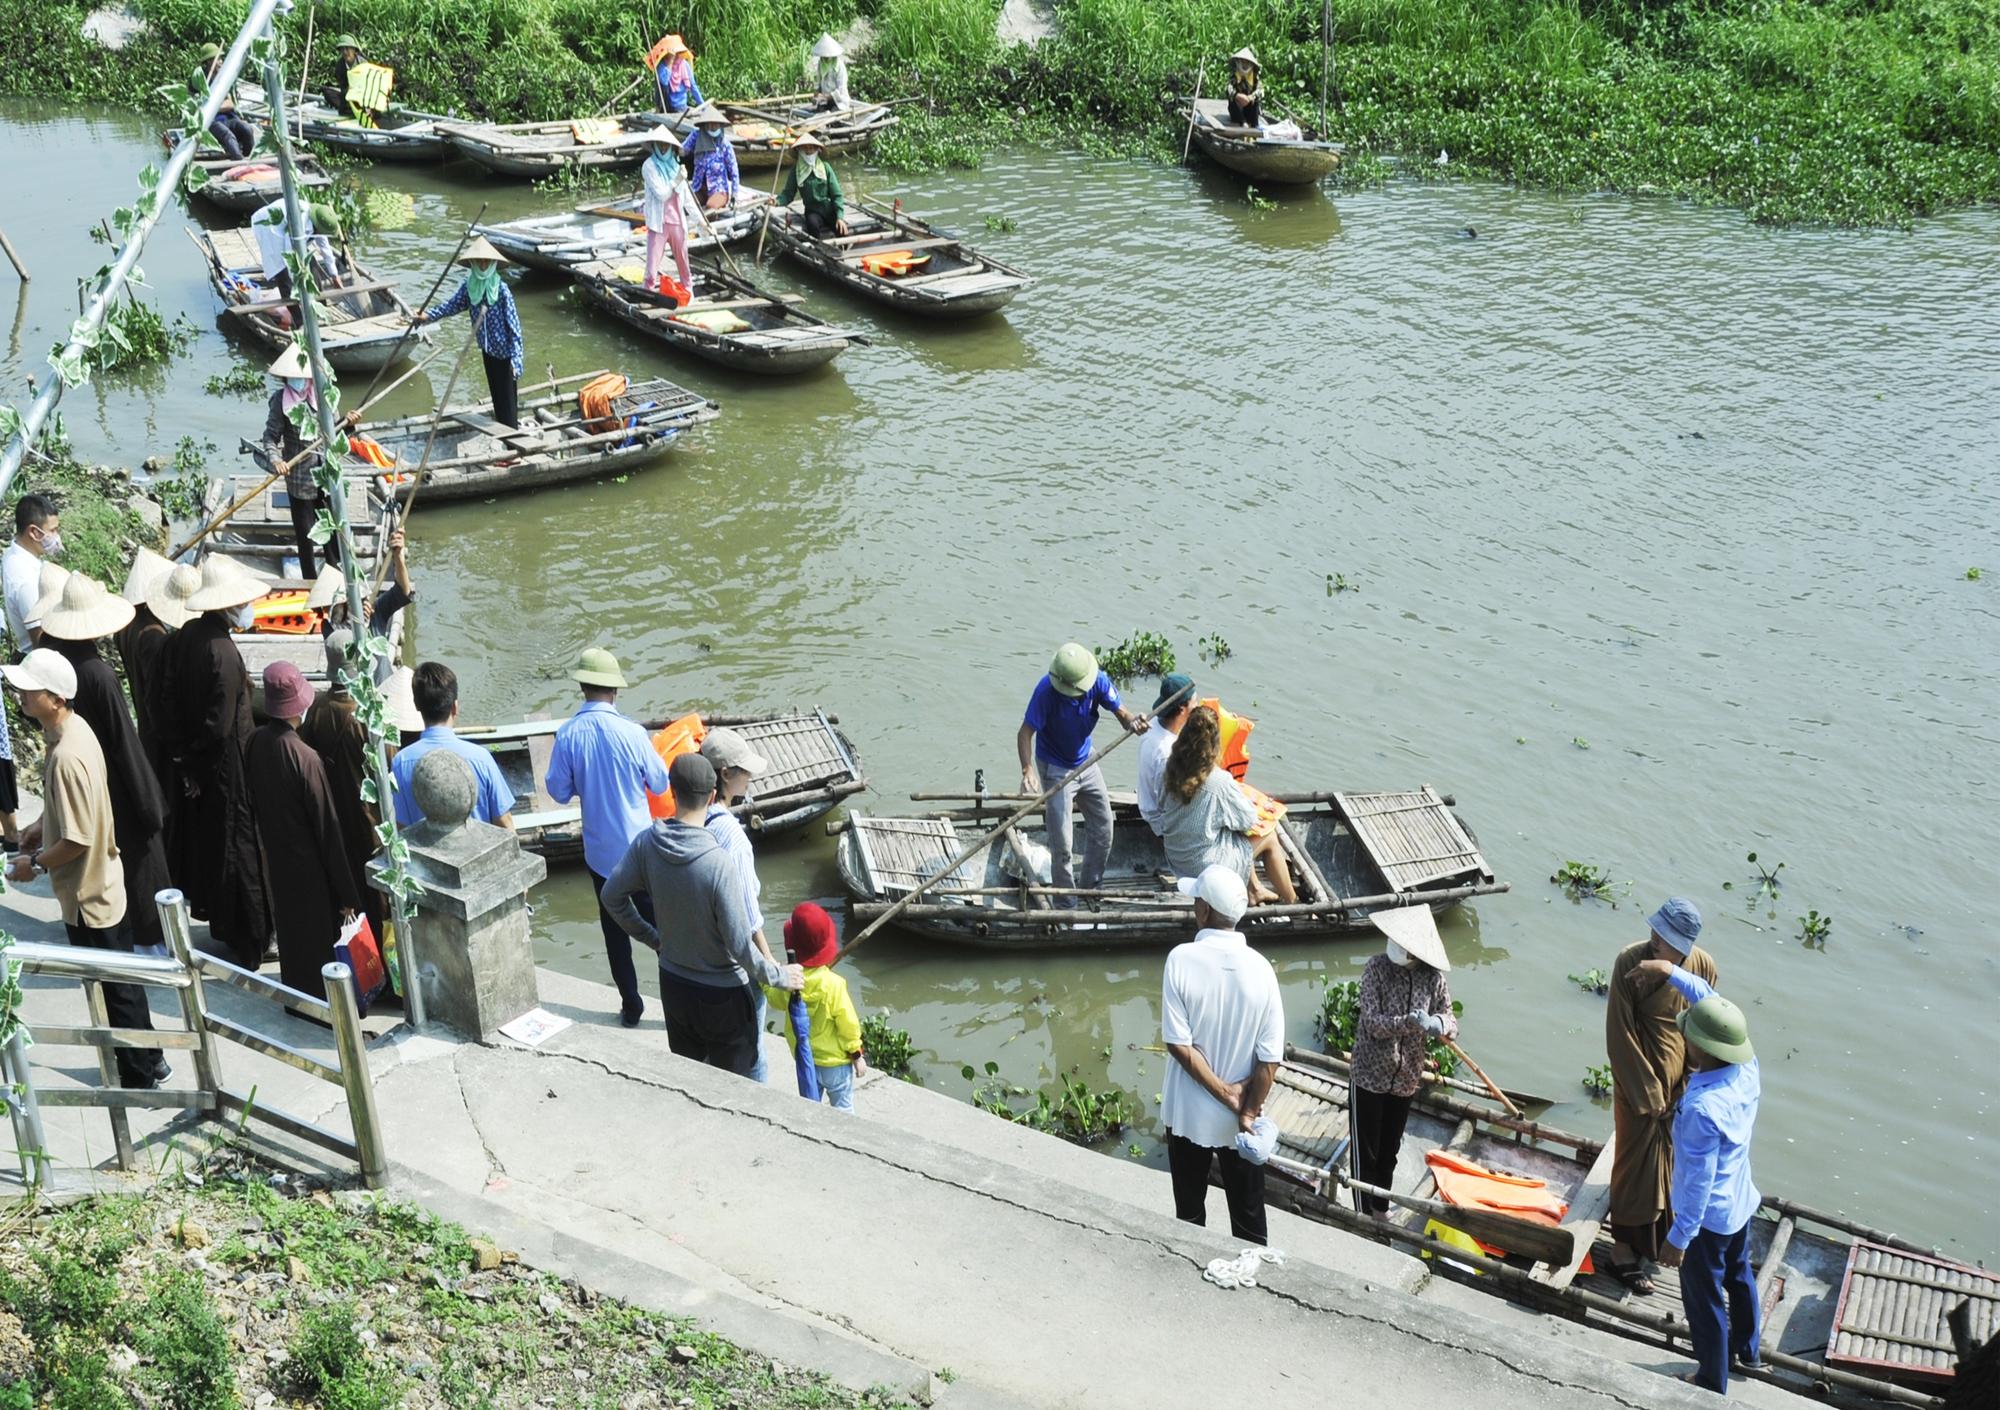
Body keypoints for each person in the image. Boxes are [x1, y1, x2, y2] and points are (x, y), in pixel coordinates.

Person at [4, 649, 166, 1089]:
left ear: (55, 698)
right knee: (124, 981)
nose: (19, 694)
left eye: (29, 688)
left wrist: (32, 864)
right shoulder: (75, 732)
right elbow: (76, 813)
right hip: (105, 882)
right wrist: (41, 825)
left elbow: (77, 840)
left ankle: (138, 1076)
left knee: (114, 989)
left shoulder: (66, 756)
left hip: (88, 893)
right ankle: (152, 1058)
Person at [602, 753, 802, 1074]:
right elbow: (740, 946)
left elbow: (612, 897)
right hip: (723, 997)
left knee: (692, 1077)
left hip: (674, 985)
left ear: (671, 791)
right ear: (712, 797)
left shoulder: (647, 844)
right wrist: (779, 976)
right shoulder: (718, 862)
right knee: (735, 1087)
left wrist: (654, 939)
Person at [1637, 957, 1763, 1394]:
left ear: (1703, 1048)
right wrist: (1669, 971)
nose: (1684, 1037)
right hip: (1741, 1203)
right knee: (1740, 1274)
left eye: (1688, 1034)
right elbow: (1711, 1002)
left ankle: (1711, 1377)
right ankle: (1749, 1349)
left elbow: (1697, 1181)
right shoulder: (1746, 1069)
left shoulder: (1701, 1111)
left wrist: (1679, 1238)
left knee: (1704, 1298)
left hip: (1708, 1220)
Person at [34, 572, 174, 957]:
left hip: (92, 779)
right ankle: (149, 949)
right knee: (142, 868)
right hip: (118, 785)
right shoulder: (97, 673)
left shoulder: (64, 663)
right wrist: (151, 803)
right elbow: (123, 742)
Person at [156, 557, 272, 968]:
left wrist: (184, 760)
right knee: (240, 851)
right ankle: (251, 937)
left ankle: (229, 927)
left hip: (202, 763)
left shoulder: (188, 636)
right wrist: (198, 765)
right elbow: (219, 725)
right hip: (227, 767)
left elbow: (168, 701)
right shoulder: (222, 651)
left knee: (217, 846)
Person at [542, 647, 667, 1028]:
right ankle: (678, 1001)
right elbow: (661, 782)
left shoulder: (567, 735)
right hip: (642, 852)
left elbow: (558, 792)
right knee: (665, 931)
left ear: (582, 687)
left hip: (600, 858)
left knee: (616, 934)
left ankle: (631, 1007)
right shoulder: (633, 733)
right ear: (615, 691)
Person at [1161, 864, 1282, 1243]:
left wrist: (1220, 1090)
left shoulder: (1180, 959)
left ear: (1203, 911)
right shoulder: (1262, 969)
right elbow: (1270, 1058)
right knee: (1248, 1216)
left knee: (1190, 1210)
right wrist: (1245, 1107)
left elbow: (1179, 1044)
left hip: (1188, 1115)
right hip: (1240, 1123)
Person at [1605, 896, 1720, 1293]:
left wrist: (1688, 1084)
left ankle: (1654, 1244)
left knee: (1672, 1164)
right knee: (1632, 1164)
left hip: (1680, 1091)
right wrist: (1648, 1092)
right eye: (1655, 931)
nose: (1655, 939)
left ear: (1684, 948)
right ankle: (1621, 1250)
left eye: (1665, 938)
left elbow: (1707, 1023)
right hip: (1637, 1086)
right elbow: (1619, 1032)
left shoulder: (1702, 966)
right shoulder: (1629, 962)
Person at [247, 662, 360, 1000]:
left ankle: (296, 998)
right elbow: (329, 829)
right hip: (310, 867)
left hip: (277, 859)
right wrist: (346, 894)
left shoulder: (255, 742)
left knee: (292, 935)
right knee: (319, 943)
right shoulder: (306, 758)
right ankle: (326, 1007)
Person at [1349, 907, 1458, 1216]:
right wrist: (1409, 1022)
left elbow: (1451, 1019)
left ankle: (1380, 1208)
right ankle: (1360, 1212)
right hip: (1370, 1074)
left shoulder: (1432, 979)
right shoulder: (1376, 968)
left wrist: (1439, 1022)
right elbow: (1373, 1023)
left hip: (1406, 1077)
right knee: (1365, 1150)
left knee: (1389, 1151)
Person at [1017, 643, 1145, 904]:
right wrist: (1027, 769)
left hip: (1086, 760)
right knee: (1062, 844)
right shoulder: (1046, 692)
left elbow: (1121, 714)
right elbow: (1025, 733)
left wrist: (1133, 721)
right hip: (1056, 768)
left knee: (1104, 828)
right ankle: (1066, 902)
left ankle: (1090, 889)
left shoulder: (1098, 681)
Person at [300, 629, 392, 939]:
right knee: (378, 891)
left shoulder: (315, 709)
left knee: (349, 886)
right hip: (369, 818)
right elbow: (389, 762)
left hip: (334, 815)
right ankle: (382, 956)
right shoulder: (367, 715)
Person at [1154, 705, 1298, 903]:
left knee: (1228, 832)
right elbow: (1248, 819)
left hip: (1176, 855)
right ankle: (1292, 901)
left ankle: (1255, 890)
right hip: (1202, 865)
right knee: (1269, 837)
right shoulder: (1219, 781)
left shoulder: (1171, 767)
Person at [701, 727, 780, 1082]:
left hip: (702, 957)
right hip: (736, 962)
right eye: (744, 771)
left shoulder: (690, 820)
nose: (750, 778)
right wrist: (770, 963)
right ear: (725, 774)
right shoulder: (733, 838)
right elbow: (749, 916)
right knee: (753, 1050)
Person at [762, 902, 865, 1111]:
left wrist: (767, 976)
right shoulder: (834, 984)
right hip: (836, 1064)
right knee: (843, 1109)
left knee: (812, 1108)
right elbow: (848, 1025)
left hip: (807, 1062)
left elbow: (774, 998)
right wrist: (856, 1054)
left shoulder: (788, 983)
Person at [261, 342, 352, 576]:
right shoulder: (281, 401)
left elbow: (336, 433)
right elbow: (270, 437)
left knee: (332, 528)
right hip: (300, 479)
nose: (299, 381)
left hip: (326, 474)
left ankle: (337, 574)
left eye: (302, 377)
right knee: (305, 534)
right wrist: (276, 461)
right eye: (293, 377)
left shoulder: (322, 396)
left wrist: (350, 424)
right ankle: (310, 581)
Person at [388, 661, 515, 829]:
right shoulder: (481, 758)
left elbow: (401, 826)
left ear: (417, 706)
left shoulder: (400, 762)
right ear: (455, 707)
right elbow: (504, 822)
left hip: (425, 855)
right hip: (479, 853)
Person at [413, 238, 524, 428]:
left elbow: (514, 328)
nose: (482, 265)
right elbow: (452, 306)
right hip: (487, 351)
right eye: (479, 261)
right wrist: (428, 315)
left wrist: (516, 360)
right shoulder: (469, 286)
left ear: (492, 263)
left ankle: (512, 442)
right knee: (497, 397)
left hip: (505, 353)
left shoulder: (501, 290)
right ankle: (505, 436)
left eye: (486, 262)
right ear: (472, 263)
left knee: (507, 402)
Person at [308, 526, 412, 681]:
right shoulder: (329, 628)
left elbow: (403, 591)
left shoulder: (375, 612)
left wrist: (398, 557)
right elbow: (347, 646)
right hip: (352, 695)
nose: (327, 609)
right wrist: (359, 624)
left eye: (331, 605)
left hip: (382, 687)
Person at [115, 549, 176, 792]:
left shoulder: (127, 625)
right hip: (157, 731)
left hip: (145, 719)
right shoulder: (153, 635)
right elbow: (158, 695)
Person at [1137, 672, 1195, 836]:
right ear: (1182, 709)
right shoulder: (1166, 754)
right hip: (1161, 820)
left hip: (1149, 799)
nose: (1197, 705)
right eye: (1194, 702)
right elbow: (1167, 802)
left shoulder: (1154, 723)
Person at [4, 493, 62, 652]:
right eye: (53, 530)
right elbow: (40, 639)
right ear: (34, 532)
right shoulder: (28, 580)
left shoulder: (13, 552)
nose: (57, 537)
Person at [639, 130, 693, 297]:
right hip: (659, 224)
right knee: (652, 268)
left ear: (671, 147)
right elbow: (661, 194)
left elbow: (688, 200)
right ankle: (648, 295)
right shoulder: (648, 166)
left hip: (677, 222)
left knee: (684, 264)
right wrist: (677, 180)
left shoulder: (677, 167)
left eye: (666, 145)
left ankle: (689, 293)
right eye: (660, 145)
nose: (663, 148)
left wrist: (702, 223)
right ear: (654, 146)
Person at [190, 42, 259, 160]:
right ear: (209, 62)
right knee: (229, 136)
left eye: (221, 59)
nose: (221, 62)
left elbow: (230, 104)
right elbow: (196, 107)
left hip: (228, 118)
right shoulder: (198, 80)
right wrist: (208, 109)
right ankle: (238, 161)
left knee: (246, 129)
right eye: (218, 60)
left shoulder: (222, 79)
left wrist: (213, 107)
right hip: (211, 122)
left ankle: (248, 158)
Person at [778, 131, 847, 238]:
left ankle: (844, 250)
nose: (809, 151)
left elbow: (836, 194)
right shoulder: (796, 171)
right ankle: (817, 251)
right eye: (805, 148)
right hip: (813, 211)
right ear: (799, 151)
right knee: (812, 225)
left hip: (829, 210)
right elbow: (788, 194)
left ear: (817, 150)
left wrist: (840, 217)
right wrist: (776, 201)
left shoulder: (825, 167)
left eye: (812, 148)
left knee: (842, 229)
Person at [680, 106, 739, 213]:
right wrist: (671, 148)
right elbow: (683, 150)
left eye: (715, 123)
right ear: (705, 125)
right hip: (699, 187)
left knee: (710, 207)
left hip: (718, 189)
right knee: (685, 206)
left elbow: (734, 170)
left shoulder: (724, 144)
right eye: (709, 123)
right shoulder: (696, 136)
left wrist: (735, 195)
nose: (712, 126)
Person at [650, 33, 703, 115]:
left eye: (680, 52)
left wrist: (702, 105)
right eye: (676, 53)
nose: (678, 55)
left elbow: (693, 86)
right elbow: (664, 82)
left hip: (682, 106)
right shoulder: (662, 66)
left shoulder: (684, 65)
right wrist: (670, 63)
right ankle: (659, 109)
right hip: (667, 107)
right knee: (661, 82)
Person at [808, 33, 851, 112]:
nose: (824, 59)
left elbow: (841, 90)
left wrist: (825, 97)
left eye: (826, 57)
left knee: (835, 112)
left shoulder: (839, 67)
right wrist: (816, 96)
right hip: (825, 101)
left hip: (839, 101)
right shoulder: (820, 64)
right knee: (820, 110)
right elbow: (817, 83)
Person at [1225, 47, 1264, 128]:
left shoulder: (1255, 77)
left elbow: (1261, 91)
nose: (1245, 65)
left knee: (1256, 102)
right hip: (1237, 110)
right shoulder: (1234, 76)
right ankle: (1242, 122)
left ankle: (1254, 125)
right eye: (1243, 62)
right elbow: (1228, 89)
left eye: (1247, 62)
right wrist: (1237, 96)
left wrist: (1250, 97)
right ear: (1238, 62)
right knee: (1233, 101)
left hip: (1249, 108)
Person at [323, 34, 364, 112]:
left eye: (347, 49)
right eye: (342, 49)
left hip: (361, 96)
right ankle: (347, 108)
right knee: (327, 91)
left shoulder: (363, 64)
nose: (345, 52)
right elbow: (342, 86)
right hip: (347, 95)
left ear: (354, 50)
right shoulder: (340, 65)